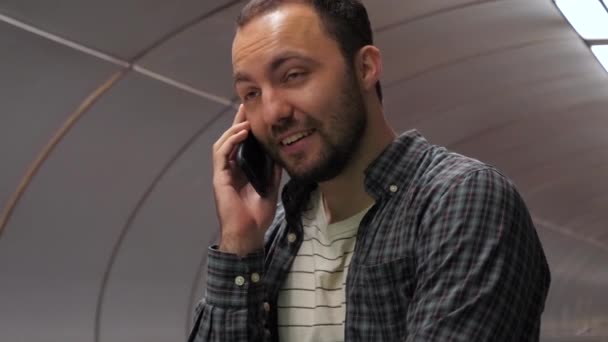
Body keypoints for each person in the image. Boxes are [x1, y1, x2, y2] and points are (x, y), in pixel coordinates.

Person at [189, 0, 551, 341]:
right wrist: (239, 242)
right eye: (251, 93)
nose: (272, 113)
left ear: (364, 68)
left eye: (293, 75)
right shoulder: (273, 239)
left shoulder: (461, 202)